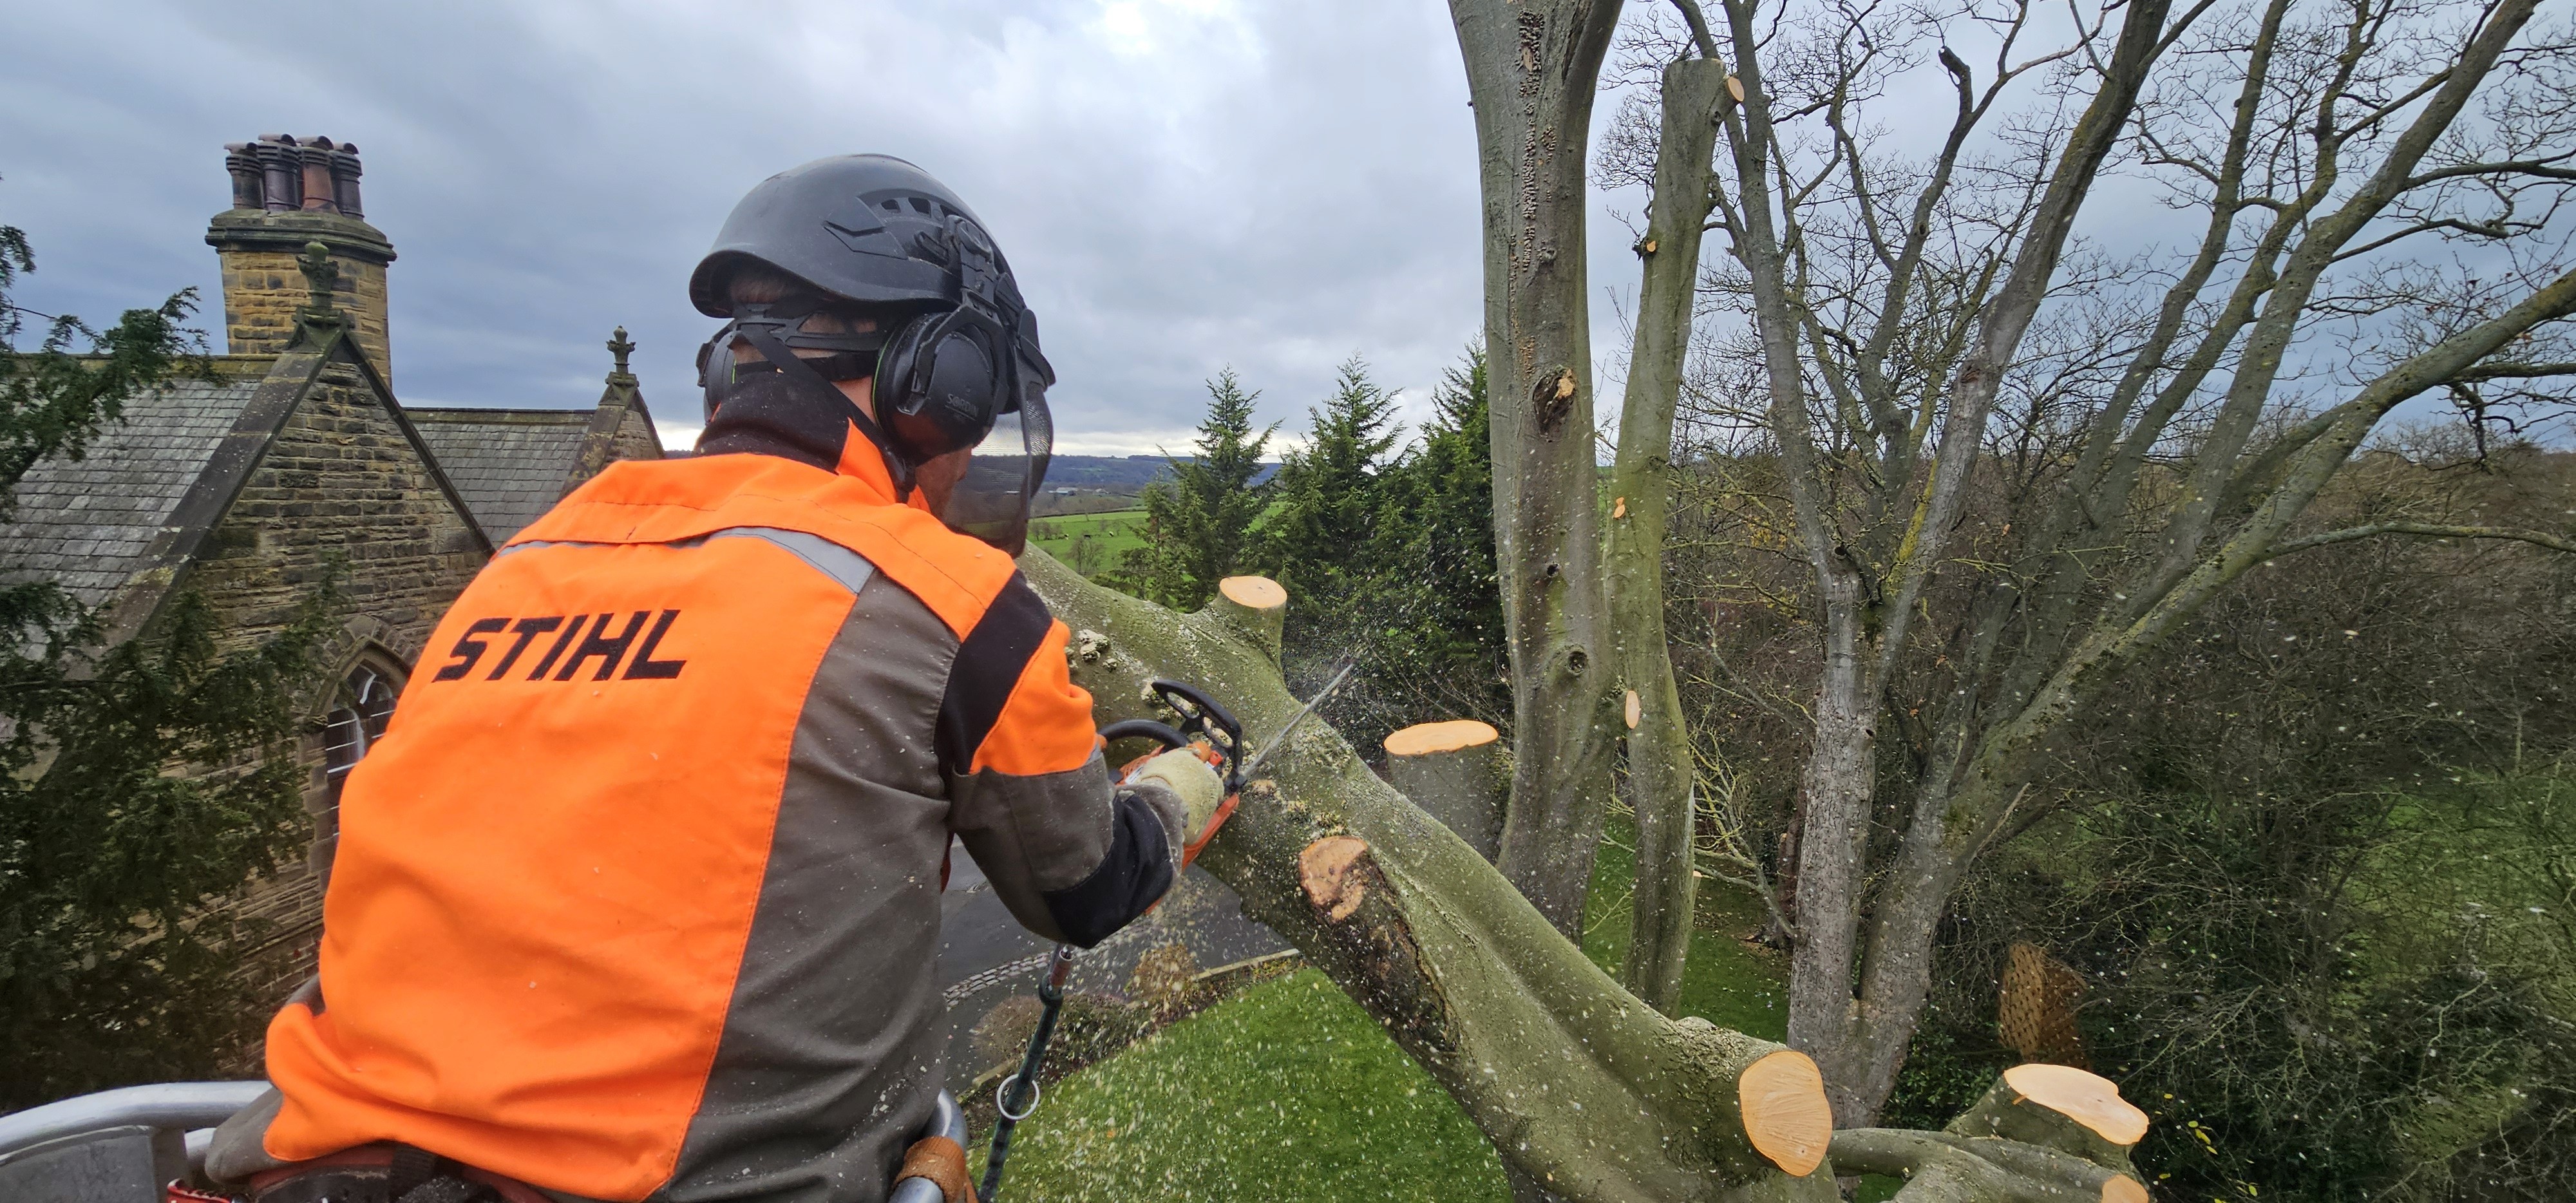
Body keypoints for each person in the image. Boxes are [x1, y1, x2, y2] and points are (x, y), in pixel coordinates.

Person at [207, 155, 1224, 1203]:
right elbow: (1086, 885)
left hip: (310, 1169)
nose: (968, 453)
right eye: (972, 417)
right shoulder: (950, 599)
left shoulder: (528, 562)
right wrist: (1188, 783)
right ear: (938, 385)